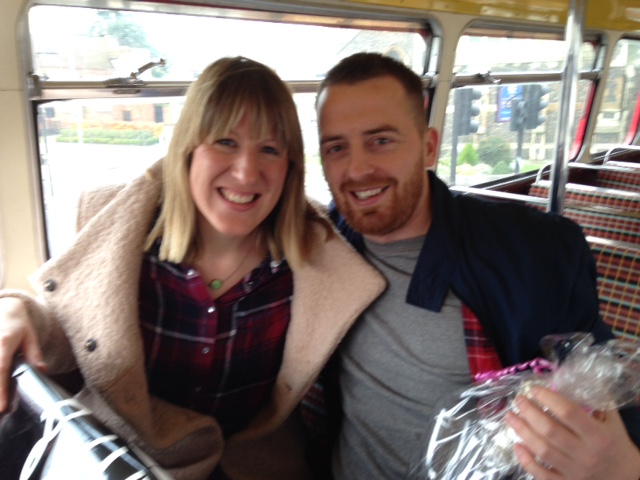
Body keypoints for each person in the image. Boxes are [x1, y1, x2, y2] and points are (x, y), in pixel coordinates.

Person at [0, 56, 385, 479]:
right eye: (225, 142)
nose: (246, 171)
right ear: (188, 148)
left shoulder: (313, 259)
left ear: (290, 166)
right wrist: (17, 309)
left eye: (270, 150)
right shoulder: (119, 231)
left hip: (253, 466)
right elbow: (67, 331)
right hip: (131, 461)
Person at [314, 52, 640, 480]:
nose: (356, 169)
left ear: (429, 147)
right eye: (336, 148)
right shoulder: (321, 243)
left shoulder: (531, 255)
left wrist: (625, 468)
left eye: (381, 141)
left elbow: (602, 393)